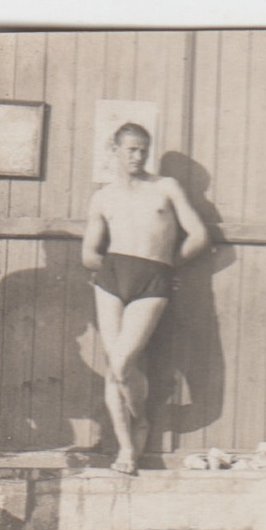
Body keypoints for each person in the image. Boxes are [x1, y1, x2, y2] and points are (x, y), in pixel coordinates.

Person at [81, 121, 210, 475]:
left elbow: (198, 235)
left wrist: (171, 265)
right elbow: (89, 252)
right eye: (131, 149)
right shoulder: (103, 196)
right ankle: (127, 449)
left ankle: (139, 421)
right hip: (111, 278)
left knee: (121, 365)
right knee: (116, 368)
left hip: (155, 278)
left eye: (143, 150)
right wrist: (103, 266)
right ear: (115, 150)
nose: (138, 156)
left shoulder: (165, 187)